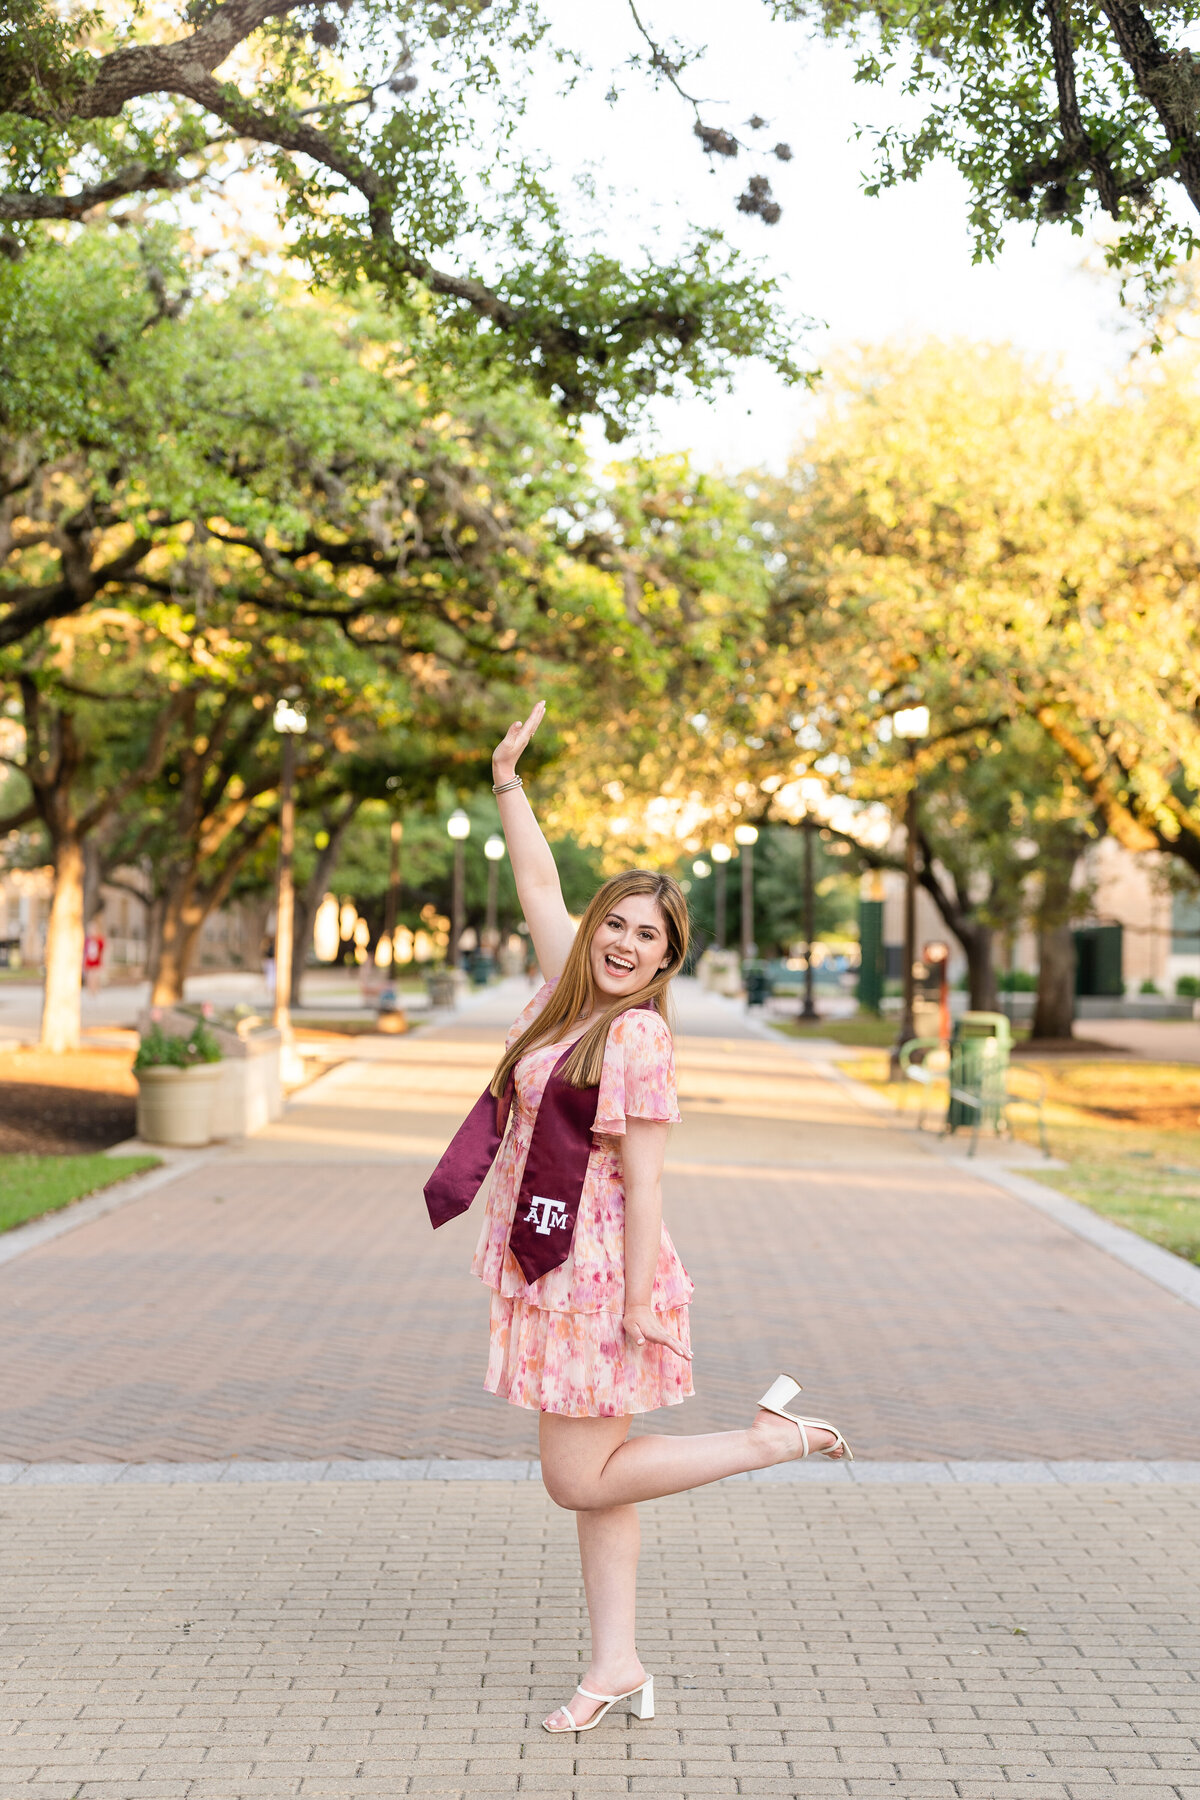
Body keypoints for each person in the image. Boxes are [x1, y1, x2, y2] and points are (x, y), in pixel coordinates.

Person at [424, 700, 852, 1737]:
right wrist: (507, 784)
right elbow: (536, 881)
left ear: (665, 961)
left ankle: (769, 1442)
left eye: (644, 935)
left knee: (576, 1479)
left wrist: (641, 1307)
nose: (621, 941)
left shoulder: (640, 1041)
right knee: (603, 1481)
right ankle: (615, 1663)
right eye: (613, 922)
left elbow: (652, 1182)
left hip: (597, 1277)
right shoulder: (561, 1000)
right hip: (543, 1263)